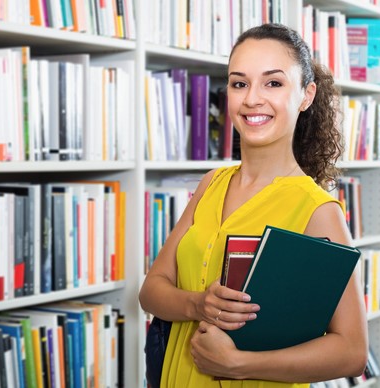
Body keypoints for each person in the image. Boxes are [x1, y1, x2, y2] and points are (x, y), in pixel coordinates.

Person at [139, 23, 368, 387]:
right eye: (239, 83)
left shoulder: (317, 210)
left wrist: (238, 364)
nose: (251, 99)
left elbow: (352, 351)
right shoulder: (212, 183)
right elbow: (151, 290)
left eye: (273, 83)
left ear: (306, 95)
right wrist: (200, 304)